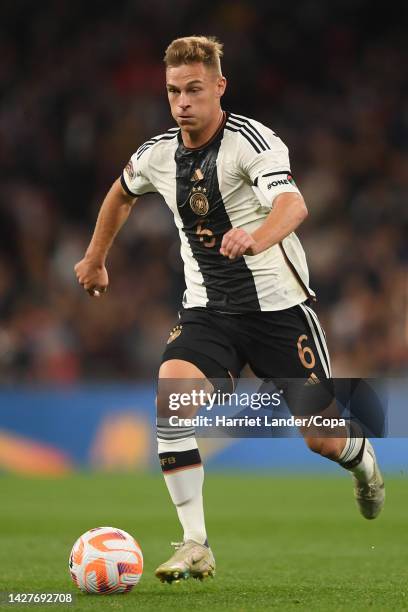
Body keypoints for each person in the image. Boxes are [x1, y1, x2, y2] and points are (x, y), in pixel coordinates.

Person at [75, 35, 385, 584]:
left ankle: (362, 463)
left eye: (194, 89)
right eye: (173, 91)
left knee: (322, 437)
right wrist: (96, 258)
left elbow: (294, 204)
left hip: (281, 313)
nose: (182, 102)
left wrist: (258, 237)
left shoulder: (252, 142)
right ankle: (195, 542)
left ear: (219, 86)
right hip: (209, 314)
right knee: (170, 402)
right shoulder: (157, 154)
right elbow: (121, 192)